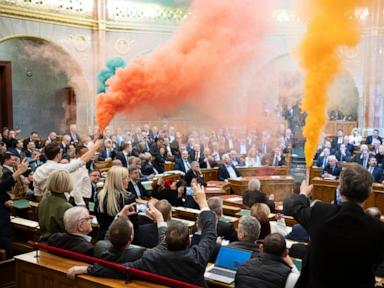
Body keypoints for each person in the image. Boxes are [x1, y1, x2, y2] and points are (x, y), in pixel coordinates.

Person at [67, 184, 217, 287]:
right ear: (189, 242)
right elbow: (209, 231)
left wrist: (87, 269)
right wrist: (203, 202)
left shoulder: (151, 257)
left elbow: (120, 270)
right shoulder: (198, 256)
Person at [292, 166, 384, 288]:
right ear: (369, 193)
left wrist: (303, 193)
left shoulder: (320, 212)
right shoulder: (378, 229)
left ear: (339, 189)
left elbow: (296, 209)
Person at [33, 140, 101, 198]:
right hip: (59, 205)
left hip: (44, 204)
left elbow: (37, 194)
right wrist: (95, 147)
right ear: (58, 155)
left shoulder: (38, 170)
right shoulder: (59, 168)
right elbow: (81, 161)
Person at [235, 233, 300, 288]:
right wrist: (292, 265)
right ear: (285, 253)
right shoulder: (290, 277)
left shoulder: (242, 266)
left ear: (261, 248)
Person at [95, 166, 136, 240]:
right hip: (121, 239)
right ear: (118, 181)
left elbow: (99, 219)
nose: (128, 180)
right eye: (126, 178)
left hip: (102, 237)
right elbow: (134, 224)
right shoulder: (129, 198)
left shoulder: (99, 196)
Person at [0, 159, 28, 258]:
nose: (1, 168)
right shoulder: (5, 179)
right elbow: (3, 186)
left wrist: (5, 203)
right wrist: (18, 172)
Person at [38, 170, 74, 241]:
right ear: (67, 183)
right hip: (58, 243)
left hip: (44, 239)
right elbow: (70, 231)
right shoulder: (66, 206)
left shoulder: (44, 199)